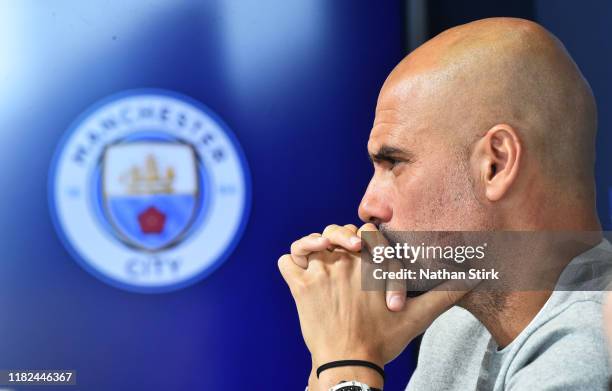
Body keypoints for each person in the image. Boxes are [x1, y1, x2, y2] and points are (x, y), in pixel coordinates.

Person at [278, 17, 612, 390]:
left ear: (495, 165)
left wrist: (348, 362)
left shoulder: (590, 346)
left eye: (394, 163)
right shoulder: (458, 325)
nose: (367, 206)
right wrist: (330, 354)